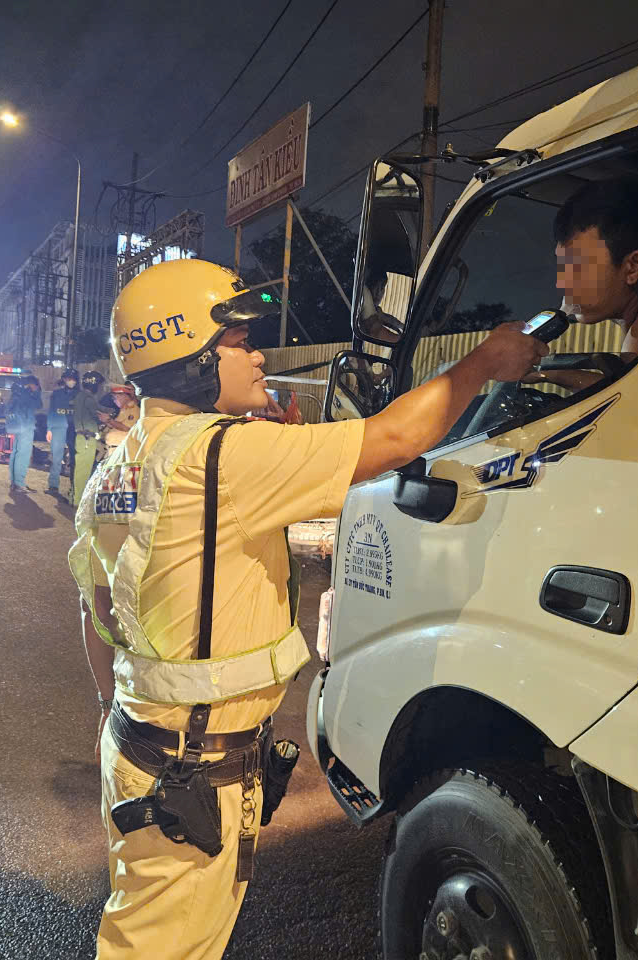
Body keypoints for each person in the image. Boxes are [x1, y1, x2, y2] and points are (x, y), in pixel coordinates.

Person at [69, 258, 545, 959]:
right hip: (191, 767)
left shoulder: (121, 466)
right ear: (193, 357)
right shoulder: (223, 456)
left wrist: (138, 729)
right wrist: (485, 362)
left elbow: (96, 611)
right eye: (238, 341)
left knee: (162, 934)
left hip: (147, 748)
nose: (258, 353)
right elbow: (389, 441)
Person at [528, 178, 638, 393]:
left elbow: (627, 401)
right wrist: (548, 374)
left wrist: (544, 375)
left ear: (633, 267)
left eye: (577, 267)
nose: (562, 282)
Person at [70, 370, 107, 506]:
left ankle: (75, 497)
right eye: (99, 385)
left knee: (80, 469)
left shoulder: (81, 396)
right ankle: (78, 501)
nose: (100, 388)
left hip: (82, 438)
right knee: (83, 471)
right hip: (86, 438)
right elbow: (98, 411)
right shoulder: (88, 398)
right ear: (94, 384)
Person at [5, 375, 42, 493]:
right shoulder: (27, 395)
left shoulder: (16, 394)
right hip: (26, 426)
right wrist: (36, 392)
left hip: (16, 426)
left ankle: (14, 482)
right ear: (31, 385)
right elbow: (38, 405)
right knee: (24, 454)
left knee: (15, 453)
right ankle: (19, 484)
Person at [46, 368, 79, 498]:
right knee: (56, 458)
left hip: (74, 429)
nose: (71, 381)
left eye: (74, 379)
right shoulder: (57, 394)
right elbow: (51, 411)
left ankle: (75, 486)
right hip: (58, 428)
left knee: (75, 459)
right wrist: (49, 429)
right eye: (69, 378)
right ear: (64, 379)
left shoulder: (80, 395)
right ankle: (53, 485)